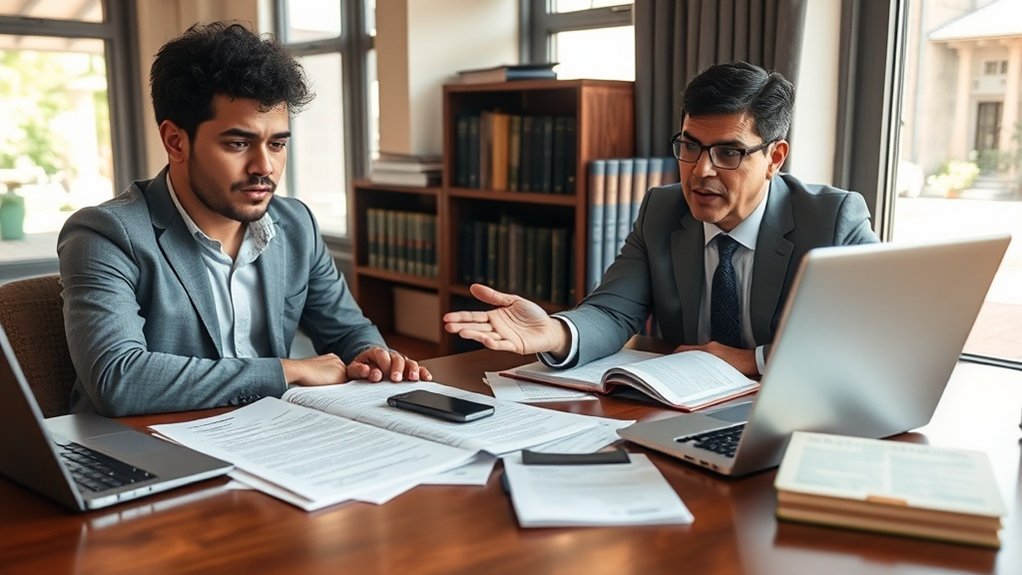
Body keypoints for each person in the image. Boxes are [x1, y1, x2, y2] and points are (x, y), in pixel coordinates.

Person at [58, 22, 429, 417]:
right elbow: (120, 379)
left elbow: (347, 330)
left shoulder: (296, 224)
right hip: (141, 448)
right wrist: (285, 372)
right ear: (175, 141)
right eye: (238, 143)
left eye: (277, 144)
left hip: (265, 435)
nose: (264, 167)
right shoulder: (106, 234)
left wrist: (371, 355)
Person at [443, 61, 879, 377]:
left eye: (728, 152)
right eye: (690, 146)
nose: (701, 170)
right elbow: (613, 313)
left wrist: (755, 359)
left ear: (774, 158)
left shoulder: (832, 219)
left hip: (795, 409)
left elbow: (870, 331)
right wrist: (555, 332)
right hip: (685, 407)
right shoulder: (662, 210)